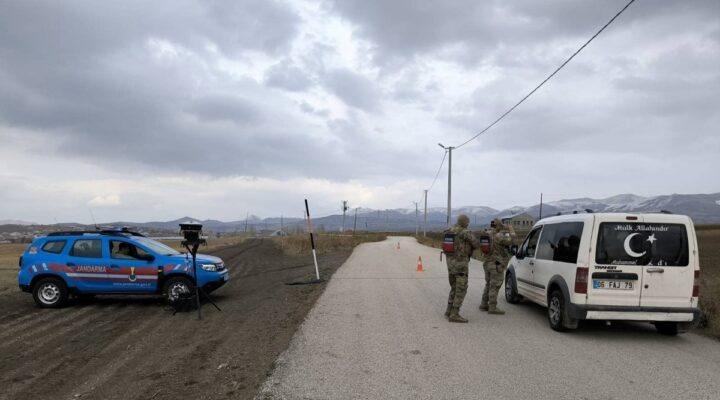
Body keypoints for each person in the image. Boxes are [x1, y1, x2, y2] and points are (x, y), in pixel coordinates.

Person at [444, 214, 481, 323]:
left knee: (454, 287)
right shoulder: (465, 232)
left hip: (450, 264)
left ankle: (448, 310)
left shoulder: (449, 231)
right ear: (464, 222)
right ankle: (454, 314)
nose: (468, 223)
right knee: (461, 288)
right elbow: (476, 244)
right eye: (467, 221)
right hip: (461, 265)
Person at [480, 218, 516, 315]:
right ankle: (492, 307)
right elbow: (512, 240)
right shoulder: (499, 236)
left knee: (488, 284)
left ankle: (483, 304)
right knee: (495, 285)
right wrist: (511, 229)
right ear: (499, 226)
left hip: (487, 263)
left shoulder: (487, 234)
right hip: (496, 264)